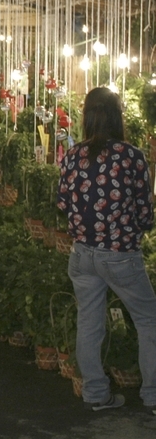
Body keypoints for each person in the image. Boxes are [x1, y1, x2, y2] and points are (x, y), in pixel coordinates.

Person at [57, 87, 156, 413]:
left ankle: (96, 393)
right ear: (117, 117)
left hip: (82, 254)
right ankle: (153, 395)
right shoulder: (131, 156)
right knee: (149, 320)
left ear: (86, 116)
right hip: (120, 254)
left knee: (89, 322)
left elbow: (62, 203)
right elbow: (145, 213)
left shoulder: (74, 155)